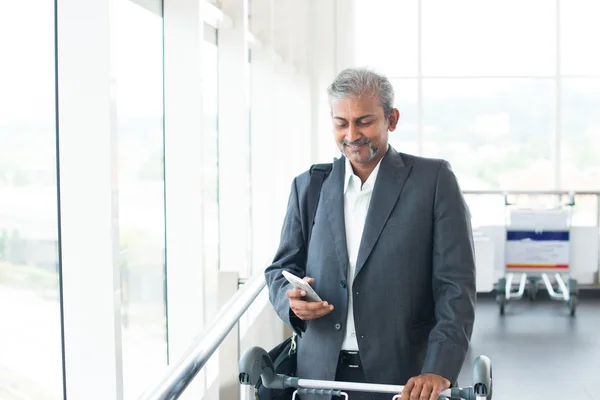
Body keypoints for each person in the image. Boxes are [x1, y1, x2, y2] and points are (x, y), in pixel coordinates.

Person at [265, 67, 476, 400]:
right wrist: (292, 305)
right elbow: (280, 269)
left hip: (404, 378)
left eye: (364, 121)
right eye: (341, 123)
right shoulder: (308, 186)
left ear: (391, 119)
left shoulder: (433, 181)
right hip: (317, 376)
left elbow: (456, 285)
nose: (352, 134)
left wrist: (439, 368)